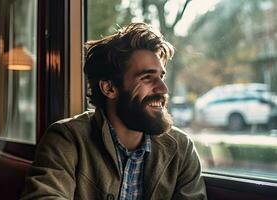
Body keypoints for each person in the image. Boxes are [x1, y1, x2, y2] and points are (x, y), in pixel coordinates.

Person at [21, 22, 207, 200]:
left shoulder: (181, 148)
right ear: (109, 88)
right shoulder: (67, 138)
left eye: (161, 76)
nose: (163, 89)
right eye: (147, 78)